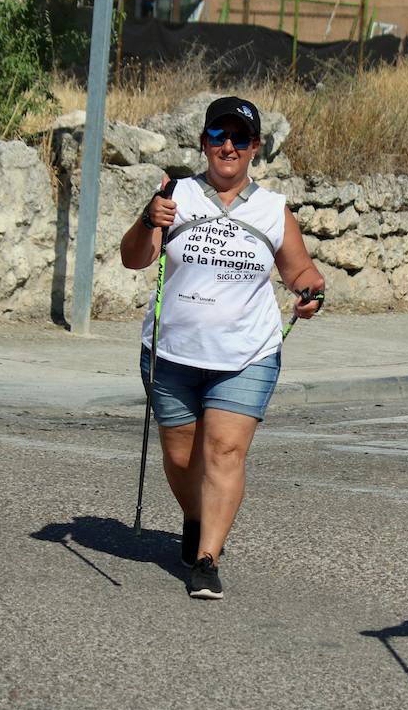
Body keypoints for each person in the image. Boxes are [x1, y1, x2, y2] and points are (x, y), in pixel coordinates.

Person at [119, 96, 324, 600]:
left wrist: (311, 292)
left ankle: (208, 557)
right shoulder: (175, 195)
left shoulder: (273, 209)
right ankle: (195, 516)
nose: (227, 146)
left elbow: (301, 271)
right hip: (171, 351)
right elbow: (132, 260)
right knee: (181, 456)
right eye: (217, 136)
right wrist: (148, 221)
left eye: (238, 138)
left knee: (225, 451)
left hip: (246, 354)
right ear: (205, 143)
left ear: (254, 147)